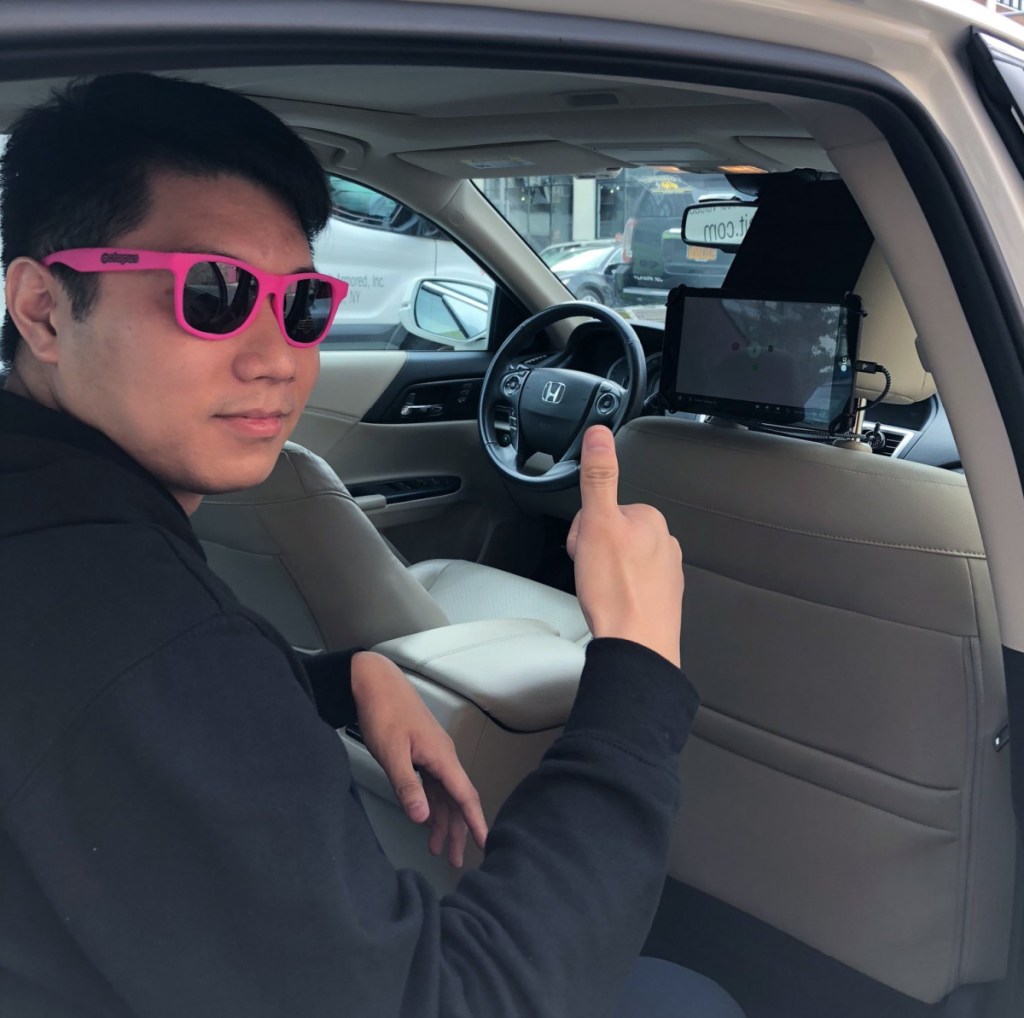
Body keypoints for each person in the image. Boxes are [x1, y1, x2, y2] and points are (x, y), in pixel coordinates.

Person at [0, 73, 744, 1017]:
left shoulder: (55, 528)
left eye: (303, 302)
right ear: (43, 309)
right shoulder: (127, 628)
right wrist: (635, 666)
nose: (278, 355)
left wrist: (337, 677)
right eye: (214, 293)